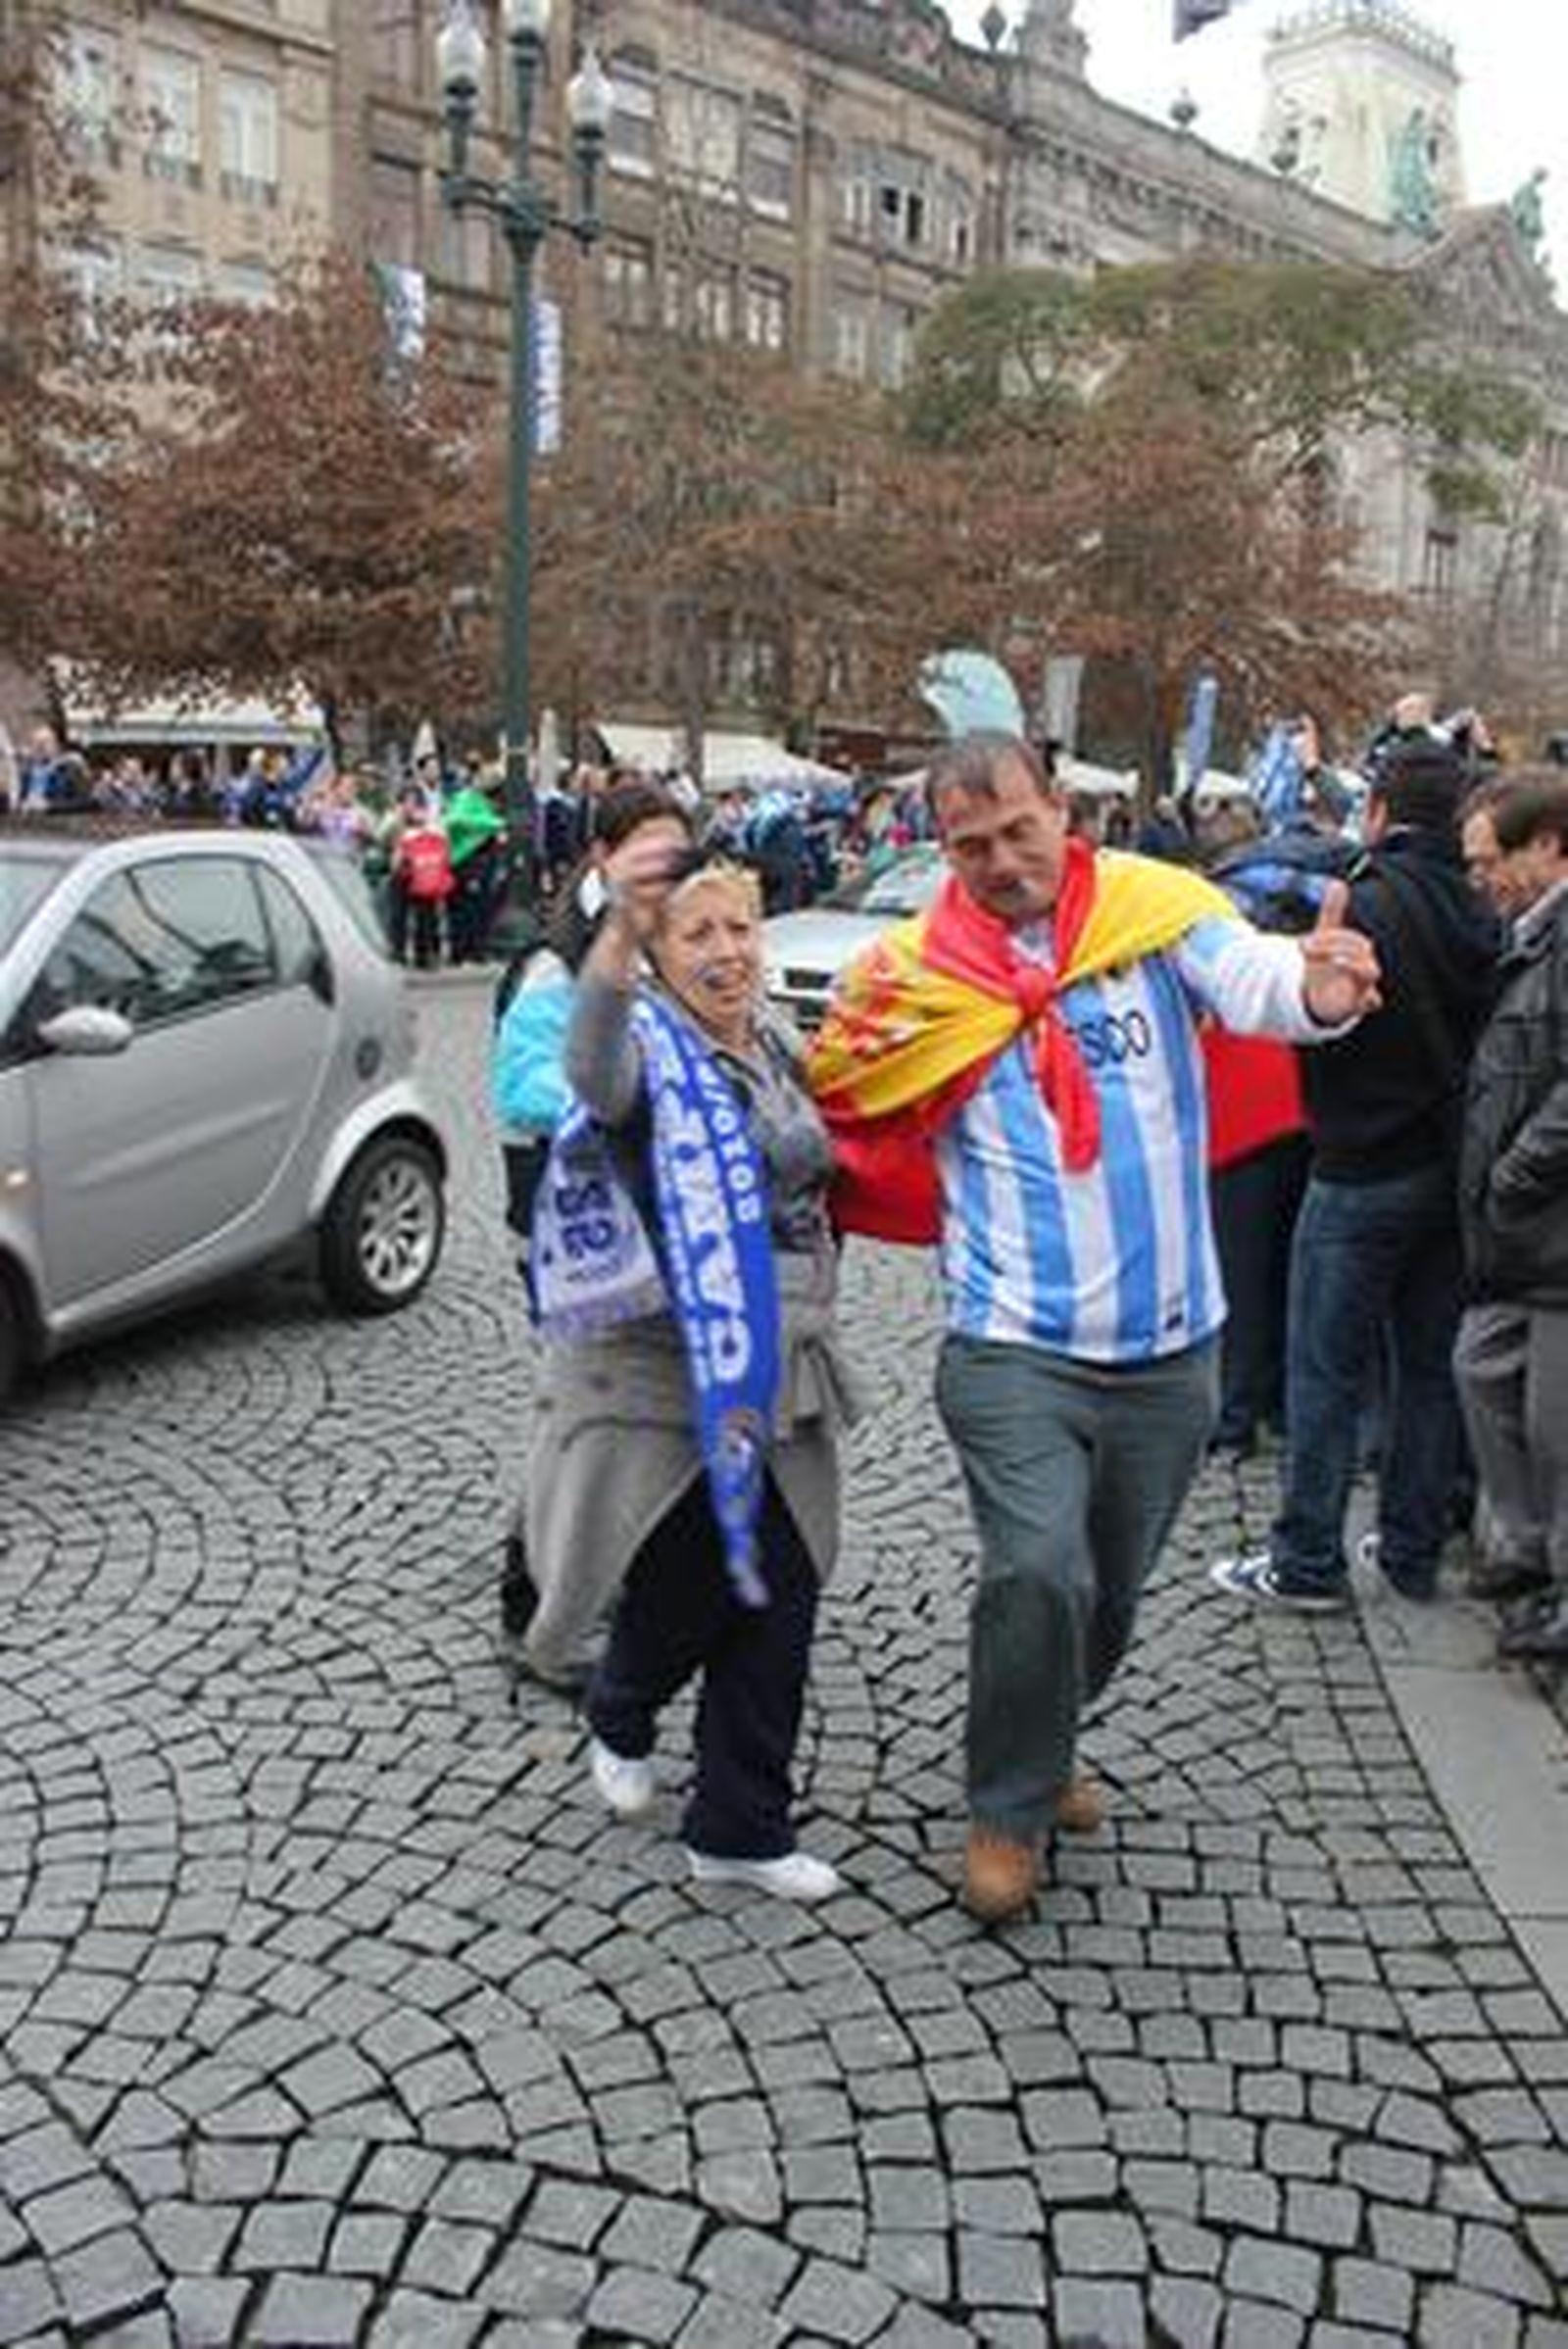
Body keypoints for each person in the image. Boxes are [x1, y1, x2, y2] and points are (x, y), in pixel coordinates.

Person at [808, 731, 1380, 1923]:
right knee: (1037, 1569)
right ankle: (1005, 1808)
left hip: (1170, 1344)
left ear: (1060, 811)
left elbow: (1254, 979)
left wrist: (1316, 995)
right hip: (1010, 1339)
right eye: (971, 845)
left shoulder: (1148, 913)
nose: (1002, 861)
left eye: (1019, 830)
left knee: (1107, 1596)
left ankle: (1046, 1735)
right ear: (941, 848)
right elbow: (840, 1097)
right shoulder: (912, 972)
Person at [524, 844, 859, 1899]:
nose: (726, 952)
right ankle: (621, 1704)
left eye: (739, 928)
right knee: (690, 1582)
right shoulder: (650, 1054)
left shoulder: (774, 1035)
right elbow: (593, 1071)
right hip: (675, 1374)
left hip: (785, 1358)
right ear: (659, 957)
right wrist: (613, 949)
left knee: (781, 1586)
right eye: (696, 933)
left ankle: (738, 1826)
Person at [1211, 738, 1498, 1614]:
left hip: (1358, 1166)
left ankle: (1307, 1558)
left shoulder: (1360, 899)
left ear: (1377, 810)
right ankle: (1411, 1550)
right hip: (1449, 1169)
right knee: (1425, 1367)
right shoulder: (1485, 907)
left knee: (1324, 1368)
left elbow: (1313, 1014)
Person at [491, 781, 695, 1664]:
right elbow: (522, 1088)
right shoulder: (556, 962)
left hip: (646, 1225)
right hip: (566, 1226)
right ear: (604, 856)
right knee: (571, 1411)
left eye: (676, 858)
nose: (663, 874)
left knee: (621, 1411)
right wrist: (637, 1099)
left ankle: (618, 1578)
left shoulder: (671, 941)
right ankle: (528, 1599)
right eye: (647, 855)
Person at [1453, 771, 1568, 1661]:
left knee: (1558, 1423)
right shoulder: (1531, 935)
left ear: (1549, 846)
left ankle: (1557, 1584)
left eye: (1490, 859)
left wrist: (1517, 1171)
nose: (1480, 878)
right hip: (1525, 1226)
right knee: (1482, 1363)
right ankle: (1528, 1550)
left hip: (1550, 1220)